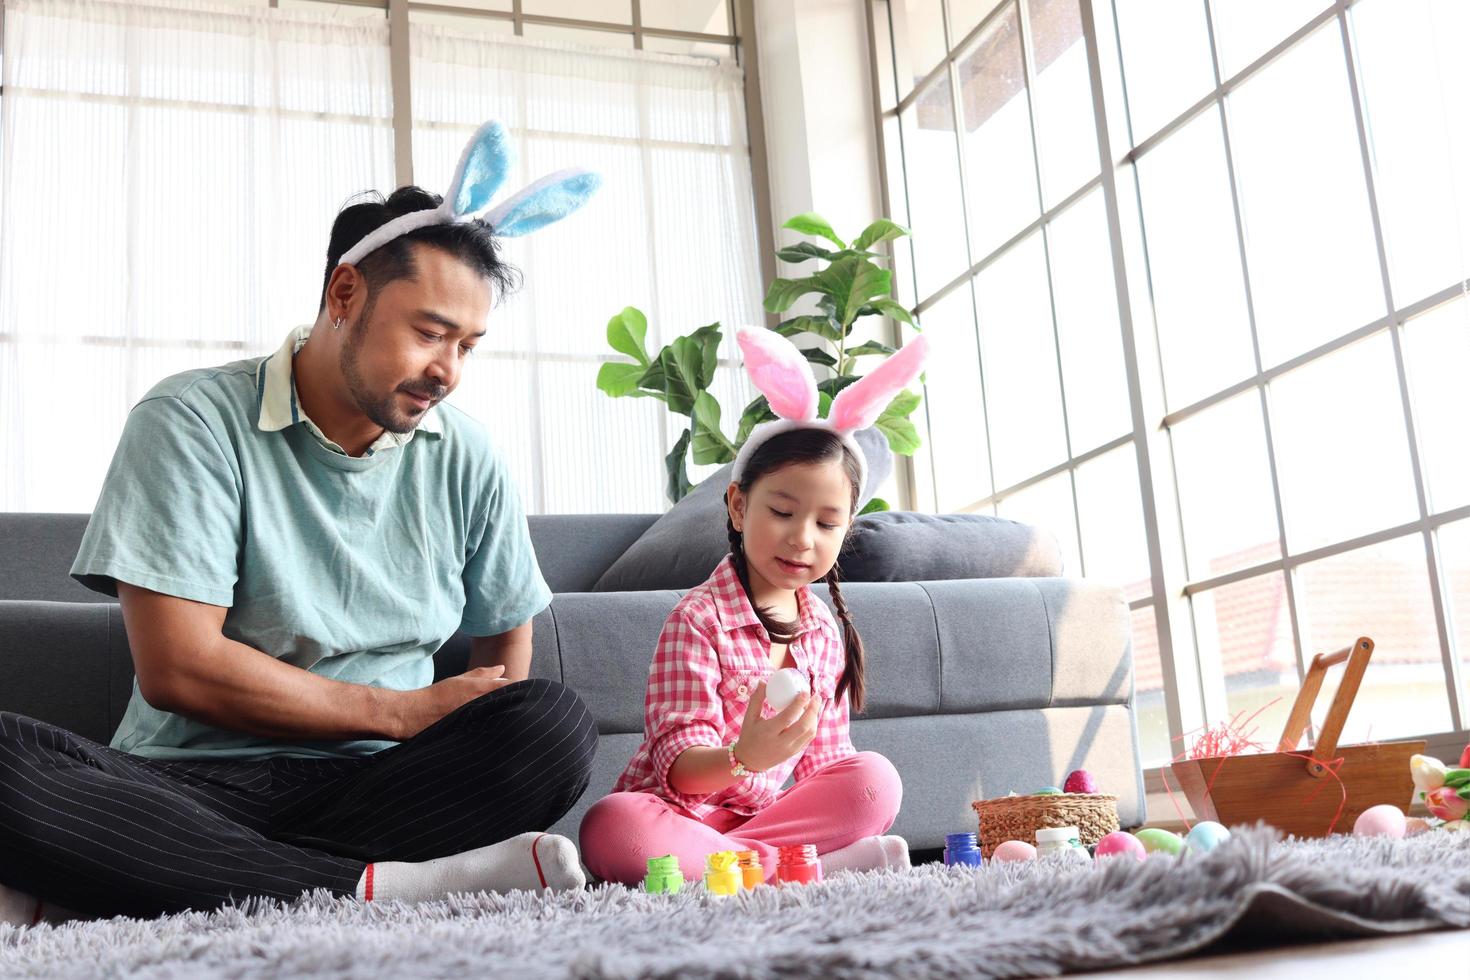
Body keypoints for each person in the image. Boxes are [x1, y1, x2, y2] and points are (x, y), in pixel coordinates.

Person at [0, 122, 603, 925]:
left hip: (386, 787)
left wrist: (428, 734)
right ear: (344, 294)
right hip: (188, 785)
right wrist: (396, 711)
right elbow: (178, 669)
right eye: (428, 332)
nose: (447, 372)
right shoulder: (193, 419)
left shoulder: (468, 455)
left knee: (553, 725)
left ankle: (152, 878)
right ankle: (375, 887)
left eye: (467, 344)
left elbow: (505, 665)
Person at [579, 327, 930, 885]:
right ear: (739, 507)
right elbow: (680, 764)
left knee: (874, 780)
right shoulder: (698, 619)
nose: (802, 538)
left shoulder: (821, 634)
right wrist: (744, 756)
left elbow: (826, 767)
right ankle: (794, 868)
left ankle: (737, 866)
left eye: (826, 523)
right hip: (678, 815)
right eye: (783, 512)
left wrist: (816, 792)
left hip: (764, 821)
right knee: (612, 825)